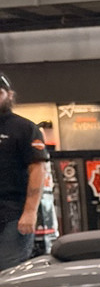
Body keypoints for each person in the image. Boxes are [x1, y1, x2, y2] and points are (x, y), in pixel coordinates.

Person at [0, 74, 50, 270]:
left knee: (9, 273)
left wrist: (30, 212)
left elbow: (38, 169)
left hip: (13, 214)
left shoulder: (24, 128)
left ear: (9, 95)